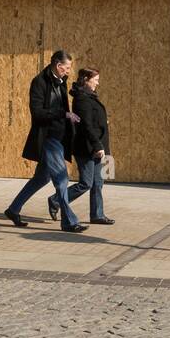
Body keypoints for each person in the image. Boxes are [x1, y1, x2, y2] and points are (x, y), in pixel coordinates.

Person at [3, 50, 86, 232]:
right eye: (67, 67)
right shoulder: (39, 82)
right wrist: (62, 114)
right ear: (58, 65)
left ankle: (13, 209)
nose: (68, 71)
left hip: (58, 138)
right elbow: (37, 113)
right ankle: (69, 222)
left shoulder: (61, 82)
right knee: (62, 179)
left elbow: (63, 105)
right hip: (47, 138)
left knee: (41, 178)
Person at [49, 67, 113, 225]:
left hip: (99, 146)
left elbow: (93, 121)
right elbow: (86, 125)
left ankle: (97, 215)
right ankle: (56, 200)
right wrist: (97, 145)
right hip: (87, 147)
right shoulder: (82, 99)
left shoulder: (90, 96)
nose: (97, 83)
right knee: (86, 183)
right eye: (95, 80)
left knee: (99, 182)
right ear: (86, 80)